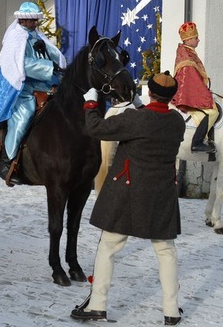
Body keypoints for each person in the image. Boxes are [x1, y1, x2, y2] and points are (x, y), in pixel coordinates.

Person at [71, 72, 186, 326]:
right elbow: (155, 121)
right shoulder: (177, 122)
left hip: (128, 191)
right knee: (166, 250)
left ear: (150, 92)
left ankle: (98, 306)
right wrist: (139, 108)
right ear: (170, 96)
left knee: (108, 247)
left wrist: (90, 104)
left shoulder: (135, 118)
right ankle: (171, 311)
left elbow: (96, 128)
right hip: (161, 193)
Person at [0, 1, 65, 185]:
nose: (36, 24)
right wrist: (48, 66)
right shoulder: (15, 37)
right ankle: (6, 162)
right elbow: (21, 65)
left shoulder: (36, 35)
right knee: (25, 114)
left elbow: (51, 56)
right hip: (20, 86)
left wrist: (58, 67)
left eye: (36, 21)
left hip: (41, 82)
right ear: (24, 20)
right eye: (33, 21)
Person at [172, 21, 218, 153]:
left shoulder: (186, 52)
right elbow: (191, 78)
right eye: (196, 38)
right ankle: (197, 142)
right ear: (189, 39)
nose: (198, 40)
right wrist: (204, 93)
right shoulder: (187, 55)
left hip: (191, 89)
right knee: (213, 112)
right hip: (188, 93)